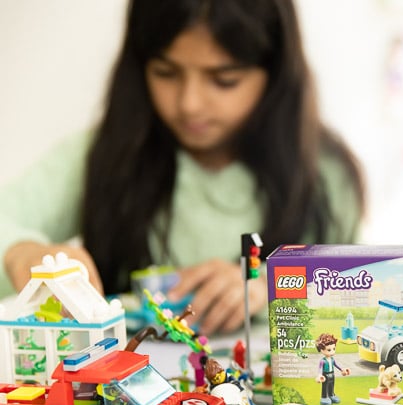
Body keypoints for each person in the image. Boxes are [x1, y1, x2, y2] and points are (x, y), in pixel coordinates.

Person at [0, 0, 365, 334]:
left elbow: (361, 284)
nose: (190, 104)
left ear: (274, 75)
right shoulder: (99, 156)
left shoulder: (325, 175)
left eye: (224, 80)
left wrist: (270, 286)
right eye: (165, 72)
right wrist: (21, 253)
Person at [315, 333, 350, 405]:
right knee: (325, 386)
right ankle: (324, 397)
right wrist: (319, 375)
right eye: (329, 350)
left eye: (334, 349)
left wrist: (342, 370)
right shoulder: (323, 361)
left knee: (331, 385)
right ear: (321, 349)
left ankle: (331, 395)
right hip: (325, 375)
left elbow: (336, 365)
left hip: (332, 374)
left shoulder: (332, 359)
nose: (332, 351)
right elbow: (320, 369)